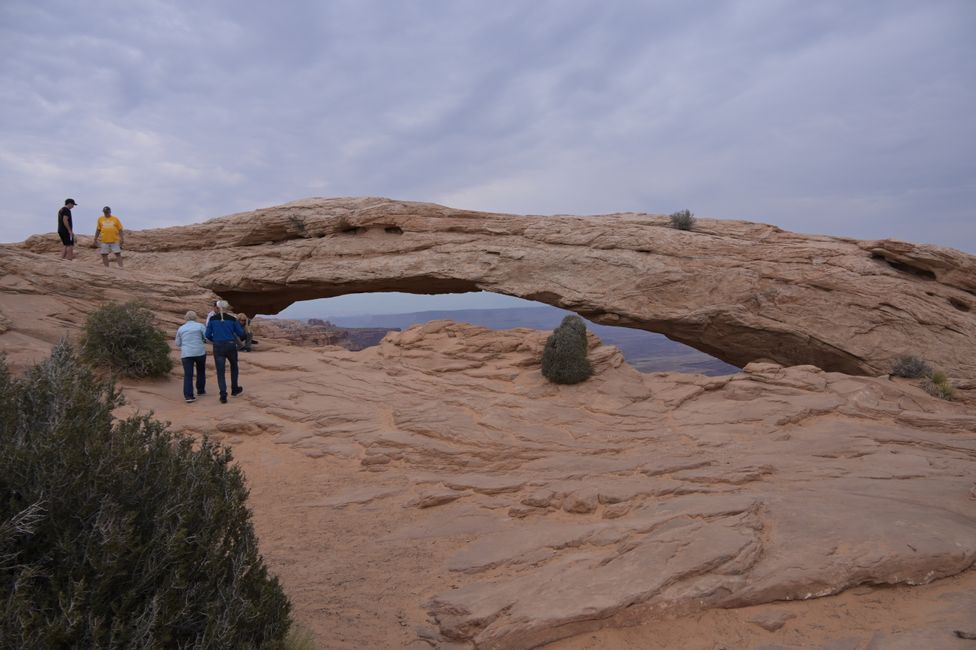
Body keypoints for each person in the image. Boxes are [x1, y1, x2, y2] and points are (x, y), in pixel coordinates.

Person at [205, 300, 245, 403]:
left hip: (218, 346)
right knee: (234, 367)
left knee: (220, 371)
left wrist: (215, 340)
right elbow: (240, 333)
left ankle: (223, 394)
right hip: (230, 345)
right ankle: (234, 389)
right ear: (226, 308)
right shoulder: (232, 319)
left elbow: (207, 334)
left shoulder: (212, 319)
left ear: (217, 308)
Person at [175, 310, 208, 403]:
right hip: (199, 352)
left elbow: (177, 343)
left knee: (188, 374)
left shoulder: (181, 328)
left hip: (186, 353)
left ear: (186, 318)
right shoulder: (200, 326)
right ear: (195, 317)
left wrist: (185, 344)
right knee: (201, 370)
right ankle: (201, 390)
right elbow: (206, 337)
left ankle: (188, 396)